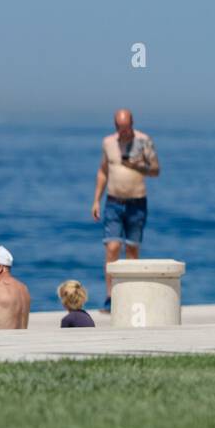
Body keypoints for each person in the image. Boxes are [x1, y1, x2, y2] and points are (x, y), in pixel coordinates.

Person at [91, 109, 160, 311]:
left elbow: (155, 170)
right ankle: (110, 297)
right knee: (112, 248)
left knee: (131, 249)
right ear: (115, 126)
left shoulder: (144, 141)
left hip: (136, 202)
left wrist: (137, 166)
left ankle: (131, 295)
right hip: (113, 202)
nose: (124, 132)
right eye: (120, 128)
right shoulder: (108, 143)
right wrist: (96, 200)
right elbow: (103, 171)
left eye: (127, 128)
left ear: (132, 124)